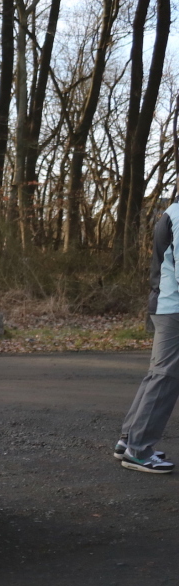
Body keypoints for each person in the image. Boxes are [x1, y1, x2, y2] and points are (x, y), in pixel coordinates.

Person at [119, 200, 179, 473]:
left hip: (166, 304)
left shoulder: (172, 211)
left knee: (158, 375)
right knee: (166, 377)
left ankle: (128, 440)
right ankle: (139, 450)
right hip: (174, 307)